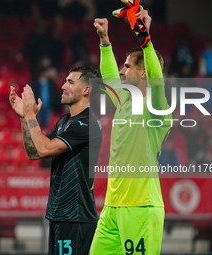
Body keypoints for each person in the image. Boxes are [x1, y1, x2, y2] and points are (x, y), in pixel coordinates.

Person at [91, 8, 172, 254]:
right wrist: (105, 41)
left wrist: (144, 38)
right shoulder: (125, 102)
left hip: (142, 208)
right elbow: (109, 76)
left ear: (143, 72)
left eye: (127, 67)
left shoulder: (157, 109)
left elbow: (156, 81)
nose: (122, 71)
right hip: (112, 207)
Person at [9, 66, 103, 255]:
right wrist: (24, 118)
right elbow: (34, 152)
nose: (62, 86)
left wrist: (30, 115)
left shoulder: (86, 124)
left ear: (86, 90)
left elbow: (44, 149)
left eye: (70, 82)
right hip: (61, 214)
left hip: (75, 216)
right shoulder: (65, 121)